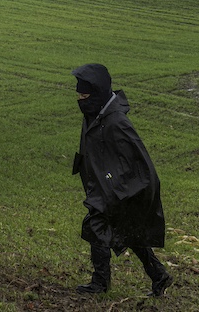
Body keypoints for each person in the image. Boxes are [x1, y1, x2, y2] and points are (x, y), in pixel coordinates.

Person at [71, 63, 172, 297]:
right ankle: (159, 275)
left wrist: (118, 189)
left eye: (84, 95)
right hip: (105, 188)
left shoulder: (116, 121)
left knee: (97, 227)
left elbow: (139, 161)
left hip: (120, 190)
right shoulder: (95, 114)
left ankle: (100, 283)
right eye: (78, 95)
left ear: (96, 94)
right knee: (128, 232)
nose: (80, 100)